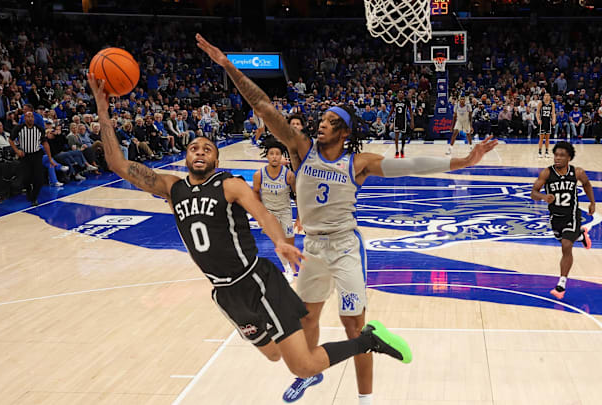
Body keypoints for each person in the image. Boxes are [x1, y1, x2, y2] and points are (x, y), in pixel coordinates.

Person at [195, 33, 497, 404]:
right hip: (313, 249)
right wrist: (230, 67)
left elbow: (410, 165)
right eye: (320, 118)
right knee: (306, 319)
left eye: (329, 120)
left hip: (345, 247)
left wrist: (462, 161)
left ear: (344, 131)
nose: (320, 123)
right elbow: (264, 107)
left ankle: (365, 399)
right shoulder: (300, 149)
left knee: (354, 326)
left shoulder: (358, 162)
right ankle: (310, 372)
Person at [88, 71, 412, 396]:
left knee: (301, 364)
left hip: (256, 279)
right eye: (194, 148)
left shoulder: (230, 185)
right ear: (186, 157)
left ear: (216, 158)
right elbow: (117, 163)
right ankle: (299, 338)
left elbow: (263, 213)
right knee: (273, 354)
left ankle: (367, 339)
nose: (200, 152)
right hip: (224, 293)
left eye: (207, 149)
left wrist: (281, 243)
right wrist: (103, 110)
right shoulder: (172, 188)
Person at [530, 141, 595, 300]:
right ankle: (580, 235)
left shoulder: (577, 172)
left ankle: (561, 284)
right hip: (555, 217)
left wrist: (592, 202)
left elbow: (587, 184)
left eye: (562, 155)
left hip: (572, 215)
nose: (557, 158)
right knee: (564, 239)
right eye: (556, 155)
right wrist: (544, 197)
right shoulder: (547, 173)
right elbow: (533, 192)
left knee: (566, 245)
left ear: (569, 158)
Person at [253, 140, 297, 283]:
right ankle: (288, 269)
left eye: (277, 154)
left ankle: (291, 265)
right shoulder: (259, 175)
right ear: (267, 156)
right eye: (271, 154)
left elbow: (296, 195)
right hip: (269, 213)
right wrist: (259, 214)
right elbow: (255, 194)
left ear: (281, 157)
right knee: (278, 243)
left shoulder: (289, 175)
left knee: (289, 241)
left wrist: (300, 217)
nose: (274, 157)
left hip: (285, 211)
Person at [10, 112, 56, 206]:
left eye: (32, 117)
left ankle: (34, 197)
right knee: (26, 178)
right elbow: (11, 140)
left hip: (36, 155)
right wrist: (17, 151)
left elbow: (45, 143)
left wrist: (50, 158)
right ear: (24, 118)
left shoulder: (39, 129)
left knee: (39, 179)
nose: (30, 118)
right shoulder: (19, 128)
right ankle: (28, 190)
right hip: (25, 156)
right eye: (28, 116)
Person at [536, 93, 556, 158]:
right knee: (541, 137)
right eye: (545, 96)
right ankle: (539, 151)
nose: (547, 97)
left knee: (547, 138)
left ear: (550, 97)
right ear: (543, 97)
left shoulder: (552, 104)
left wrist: (554, 119)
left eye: (548, 95)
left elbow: (553, 113)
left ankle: (547, 152)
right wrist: (538, 120)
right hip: (542, 121)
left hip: (548, 121)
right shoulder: (540, 103)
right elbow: (537, 113)